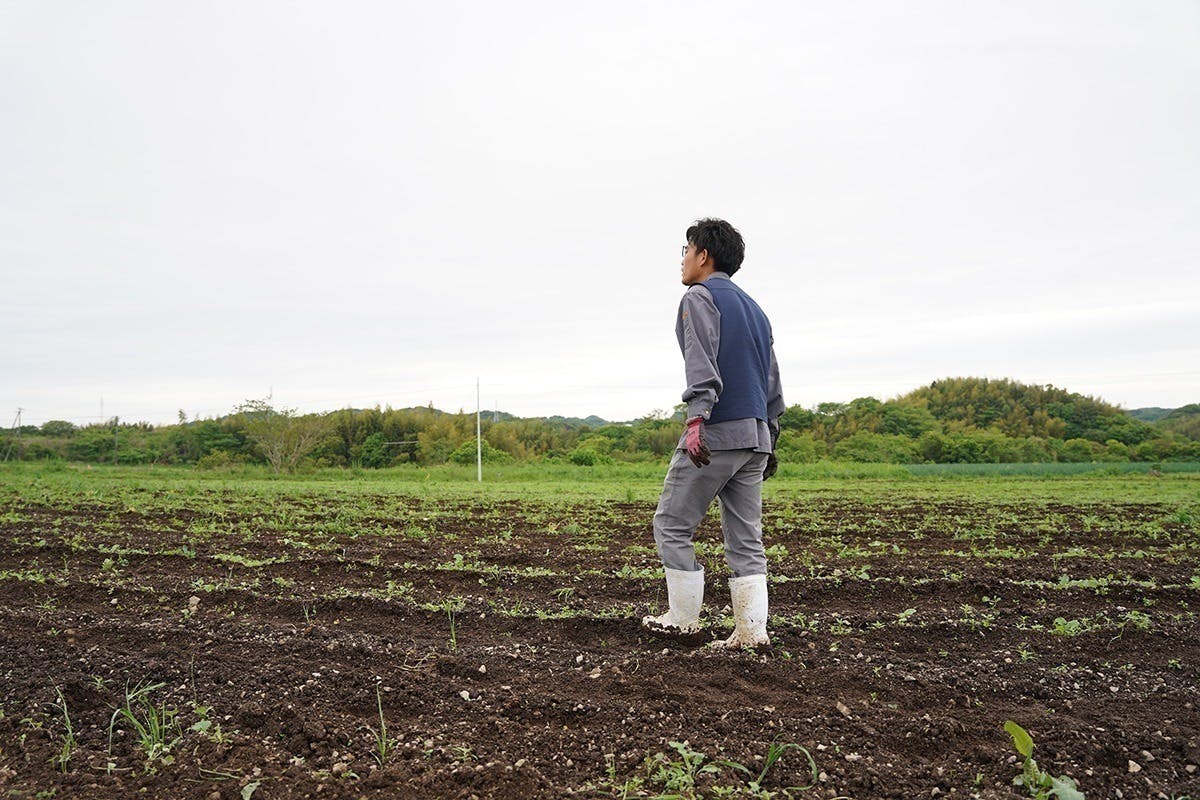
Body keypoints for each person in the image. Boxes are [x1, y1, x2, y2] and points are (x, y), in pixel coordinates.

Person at [642, 218, 784, 648]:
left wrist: (696, 420)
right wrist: (770, 435)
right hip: (755, 437)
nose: (682, 260)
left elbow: (701, 363)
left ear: (703, 255)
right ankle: (751, 632)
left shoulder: (698, 297)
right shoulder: (755, 309)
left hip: (717, 433)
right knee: (746, 539)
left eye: (685, 250)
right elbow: (772, 381)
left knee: (671, 525)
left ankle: (682, 621)